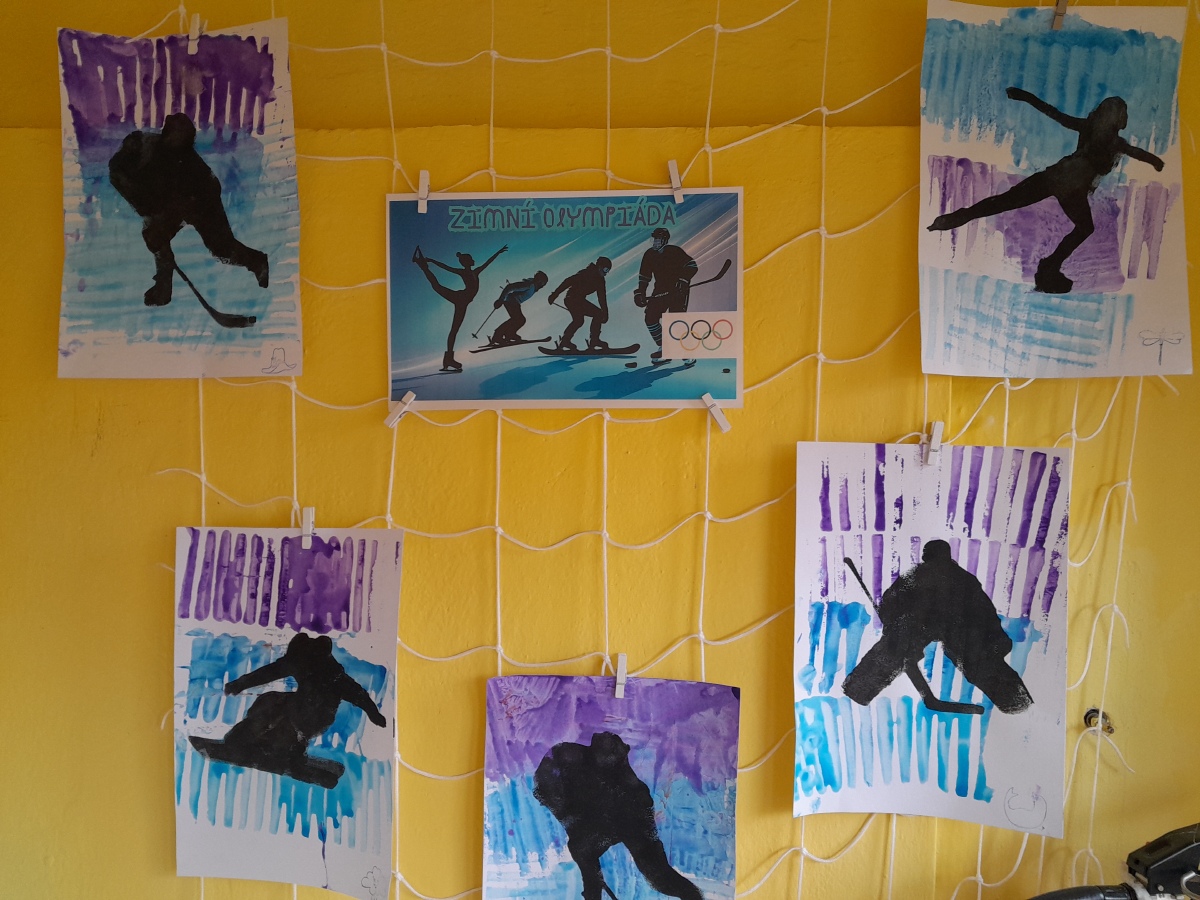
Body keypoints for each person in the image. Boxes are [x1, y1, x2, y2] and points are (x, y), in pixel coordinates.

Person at [928, 89, 1166, 294]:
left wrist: (1025, 96)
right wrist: (1157, 162)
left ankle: (960, 218)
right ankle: (1049, 266)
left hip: (1059, 179)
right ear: (1118, 117)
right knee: (1081, 226)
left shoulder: (1090, 128)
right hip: (1068, 186)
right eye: (1124, 113)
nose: (1125, 117)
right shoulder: (1114, 142)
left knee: (1006, 202)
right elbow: (1137, 153)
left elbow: (1054, 113)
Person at [841, 540, 1033, 714]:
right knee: (974, 656)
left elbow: (890, 601)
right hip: (934, 625)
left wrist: (890, 621)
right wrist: (995, 637)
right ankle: (1015, 701)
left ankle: (857, 689)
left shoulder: (919, 575)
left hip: (948, 625)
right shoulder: (960, 578)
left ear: (926, 556)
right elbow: (985, 611)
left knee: (896, 647)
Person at [108, 112, 269, 308]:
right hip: (170, 199)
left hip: (201, 199)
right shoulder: (141, 148)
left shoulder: (190, 167)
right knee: (155, 236)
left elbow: (178, 202)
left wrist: (158, 215)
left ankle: (258, 262)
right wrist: (147, 208)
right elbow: (120, 175)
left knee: (222, 249)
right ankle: (163, 288)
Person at [189, 632, 387, 789]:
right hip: (311, 715)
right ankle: (275, 744)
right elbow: (270, 672)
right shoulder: (322, 667)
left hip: (307, 716)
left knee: (274, 705)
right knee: (273, 702)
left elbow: (358, 695)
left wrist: (374, 714)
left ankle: (271, 745)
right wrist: (241, 684)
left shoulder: (319, 669)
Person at [533, 732, 703, 900]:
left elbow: (654, 864)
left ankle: (693, 896)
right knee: (583, 852)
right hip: (603, 815)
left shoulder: (634, 793)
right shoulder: (564, 759)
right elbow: (548, 795)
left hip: (628, 814)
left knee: (658, 876)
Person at [412, 243, 507, 371]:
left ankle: (448, 360)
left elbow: (488, 262)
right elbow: (445, 267)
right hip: (460, 299)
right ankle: (423, 266)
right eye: (471, 258)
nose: (473, 260)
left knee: (454, 329)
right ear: (467, 262)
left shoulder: (476, 272)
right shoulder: (464, 272)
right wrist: (432, 260)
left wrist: (498, 252)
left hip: (463, 301)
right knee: (437, 287)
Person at [633, 228, 697, 362]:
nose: (655, 242)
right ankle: (665, 348)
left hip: (677, 291)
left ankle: (686, 350)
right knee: (650, 318)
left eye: (658, 239)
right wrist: (641, 292)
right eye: (654, 239)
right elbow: (644, 276)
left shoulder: (674, 251)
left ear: (665, 240)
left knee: (676, 320)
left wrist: (683, 280)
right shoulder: (649, 254)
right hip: (660, 290)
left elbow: (692, 265)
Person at [547, 257, 612, 351]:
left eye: (608, 271)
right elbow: (568, 281)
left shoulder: (600, 281)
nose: (606, 273)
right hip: (571, 299)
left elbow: (602, 297)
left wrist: (605, 313)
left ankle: (568, 341)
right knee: (587, 317)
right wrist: (555, 294)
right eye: (605, 269)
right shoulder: (587, 273)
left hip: (579, 300)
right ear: (599, 267)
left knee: (583, 319)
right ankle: (591, 340)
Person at [488, 271, 549, 345]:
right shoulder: (528, 285)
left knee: (518, 319)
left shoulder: (532, 287)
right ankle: (500, 335)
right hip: (511, 301)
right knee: (519, 319)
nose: (543, 286)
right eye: (543, 283)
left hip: (514, 302)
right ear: (539, 281)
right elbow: (509, 287)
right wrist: (500, 299)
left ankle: (507, 334)